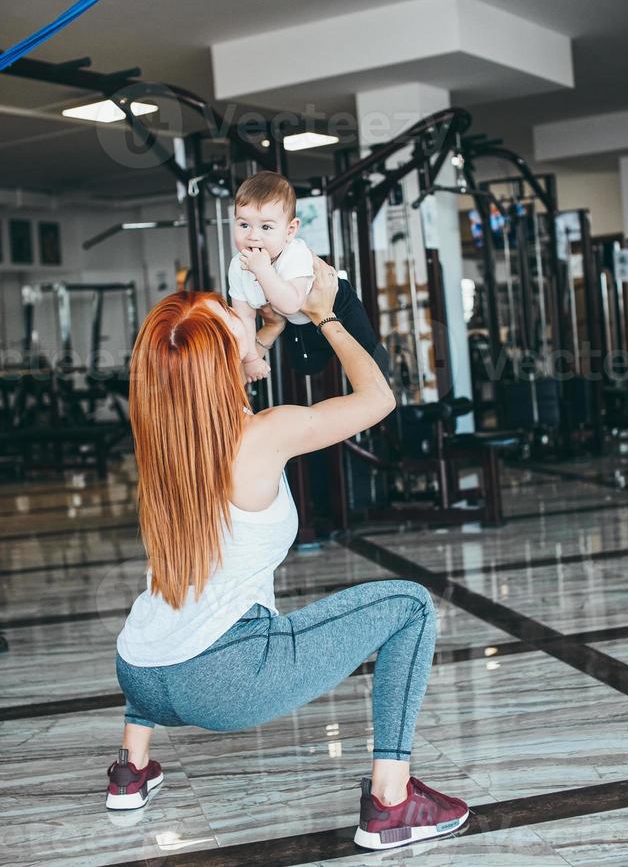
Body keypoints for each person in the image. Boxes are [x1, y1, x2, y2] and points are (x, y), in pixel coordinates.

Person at [108, 256, 468, 850]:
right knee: (410, 604)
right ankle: (392, 801)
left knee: (171, 597)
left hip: (140, 674)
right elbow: (378, 398)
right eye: (232, 313)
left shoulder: (164, 435)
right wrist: (325, 316)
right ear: (223, 363)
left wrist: (261, 331)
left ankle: (131, 767)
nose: (239, 305)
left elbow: (225, 377)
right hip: (221, 681)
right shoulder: (264, 434)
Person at [228, 170, 389, 379]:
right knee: (305, 366)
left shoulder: (295, 254)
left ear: (290, 230)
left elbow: (291, 304)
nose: (253, 236)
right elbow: (244, 317)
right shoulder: (237, 267)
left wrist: (263, 270)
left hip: (336, 303)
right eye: (244, 225)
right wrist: (251, 359)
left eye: (266, 227)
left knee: (370, 365)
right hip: (297, 321)